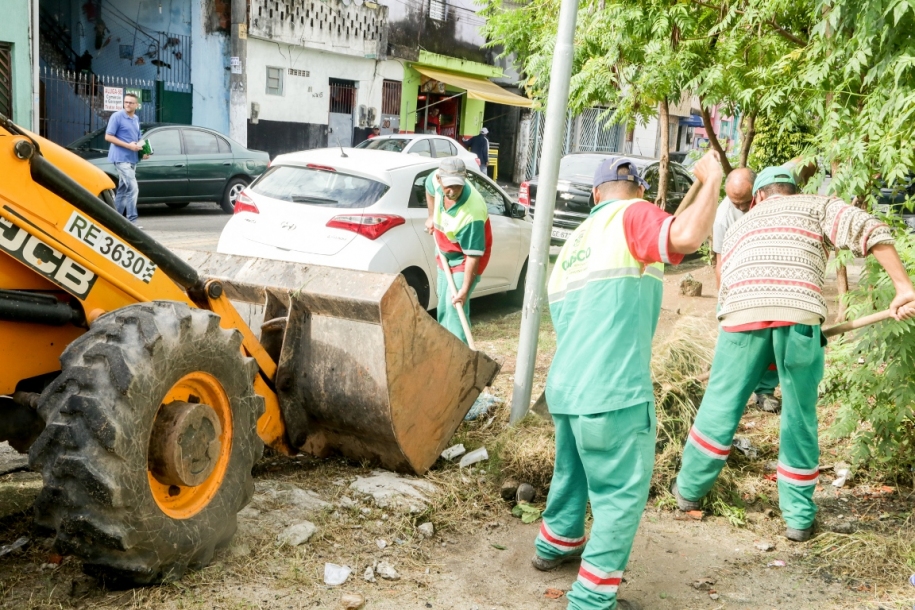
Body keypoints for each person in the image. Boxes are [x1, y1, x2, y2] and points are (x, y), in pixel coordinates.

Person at [673, 166, 915, 542]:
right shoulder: (817, 205)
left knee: (719, 406)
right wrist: (903, 287)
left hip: (740, 316)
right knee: (799, 416)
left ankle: (687, 493)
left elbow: (727, 275)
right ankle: (799, 519)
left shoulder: (741, 224)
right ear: (794, 191)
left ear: (758, 197)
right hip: (800, 316)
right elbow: (869, 227)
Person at [533, 152, 724, 610]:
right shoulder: (633, 215)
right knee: (620, 493)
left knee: (573, 473)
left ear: (594, 194)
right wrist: (712, 178)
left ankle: (554, 543)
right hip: (614, 391)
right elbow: (686, 235)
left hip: (567, 388)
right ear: (637, 189)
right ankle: (592, 599)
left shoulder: (576, 243)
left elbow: (665, 247)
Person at [711, 167, 782, 413]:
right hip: (740, 282)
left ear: (758, 192)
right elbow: (720, 261)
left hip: (771, 278)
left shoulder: (772, 202)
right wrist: (723, 301)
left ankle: (765, 390)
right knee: (739, 342)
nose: (741, 208)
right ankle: (733, 394)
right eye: (735, 203)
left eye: (745, 202)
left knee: (772, 338)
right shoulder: (723, 216)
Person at [422, 158, 492, 343]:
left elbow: (472, 256)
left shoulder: (472, 212)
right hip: (445, 252)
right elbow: (429, 188)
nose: (452, 191)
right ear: (440, 178)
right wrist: (431, 216)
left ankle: (462, 360)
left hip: (466, 258)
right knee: (444, 307)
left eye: (457, 186)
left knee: (455, 308)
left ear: (465, 179)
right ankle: (446, 352)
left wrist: (464, 289)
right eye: (448, 186)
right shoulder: (435, 180)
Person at [105, 92, 148, 227]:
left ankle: (115, 221)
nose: (127, 104)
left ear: (136, 105)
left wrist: (145, 151)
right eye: (126, 102)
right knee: (133, 188)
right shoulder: (117, 116)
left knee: (123, 190)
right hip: (120, 158)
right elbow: (108, 137)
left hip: (132, 158)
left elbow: (138, 137)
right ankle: (131, 221)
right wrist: (128, 146)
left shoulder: (135, 118)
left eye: (130, 102)